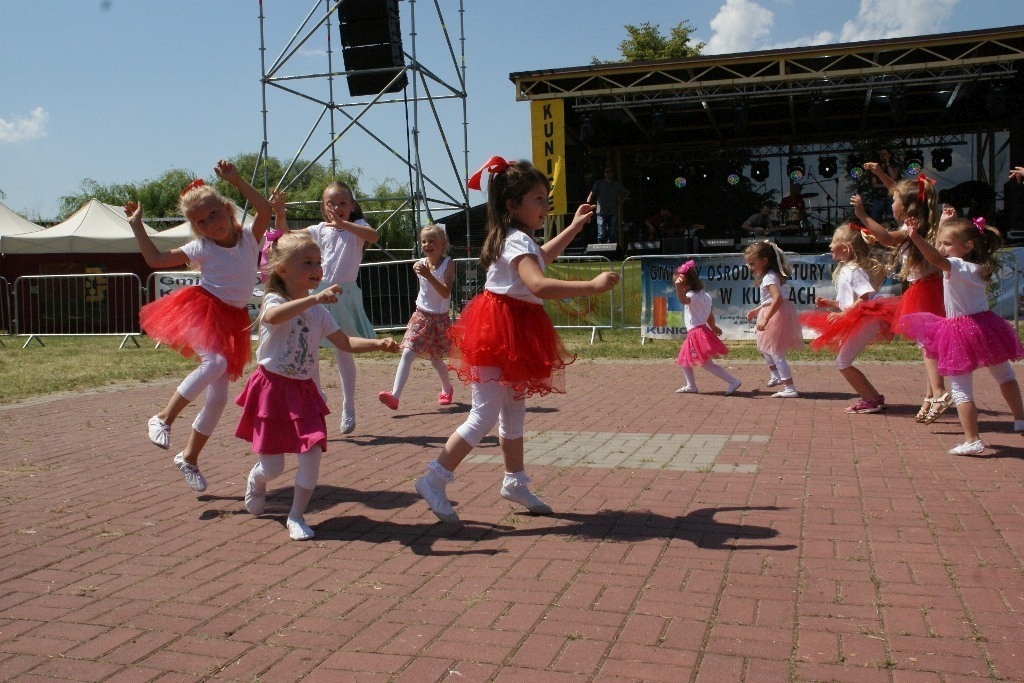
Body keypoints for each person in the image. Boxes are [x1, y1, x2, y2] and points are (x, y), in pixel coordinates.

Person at [414, 156, 621, 523]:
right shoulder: (515, 239)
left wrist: (573, 227)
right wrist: (591, 285)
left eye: (545, 198)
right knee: (485, 413)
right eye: (538, 199)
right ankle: (434, 478)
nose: (545, 206)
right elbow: (538, 283)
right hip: (500, 328)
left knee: (513, 409)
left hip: (513, 325)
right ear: (513, 205)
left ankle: (514, 481)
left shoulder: (515, 238)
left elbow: (541, 258)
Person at [235, 232, 399, 540]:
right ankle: (257, 481)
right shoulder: (276, 300)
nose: (316, 268)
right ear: (282, 270)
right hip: (272, 390)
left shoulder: (319, 311)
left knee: (312, 452)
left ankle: (296, 516)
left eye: (318, 262)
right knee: (273, 467)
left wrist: (378, 343)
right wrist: (314, 298)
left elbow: (346, 342)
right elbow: (271, 317)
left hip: (304, 392)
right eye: (307, 262)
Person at [127, 161, 272, 492]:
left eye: (212, 215)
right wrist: (138, 226)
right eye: (199, 222)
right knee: (216, 363)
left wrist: (236, 179)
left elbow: (263, 208)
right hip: (203, 311)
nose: (209, 225)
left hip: (233, 319)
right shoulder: (201, 248)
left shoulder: (251, 237)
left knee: (219, 397)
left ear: (226, 209)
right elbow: (155, 260)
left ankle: (189, 458)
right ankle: (162, 417)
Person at [900, 212, 1024, 455]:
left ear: (967, 246)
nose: (941, 247)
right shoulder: (978, 267)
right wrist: (946, 222)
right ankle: (1020, 417)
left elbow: (935, 258)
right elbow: (941, 252)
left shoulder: (955, 265)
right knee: (1004, 374)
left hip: (960, 330)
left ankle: (972, 440)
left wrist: (915, 237)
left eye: (947, 243)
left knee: (960, 389)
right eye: (940, 242)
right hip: (986, 325)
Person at [276, 182, 379, 435]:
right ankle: (318, 397)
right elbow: (286, 237)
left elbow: (373, 236)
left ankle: (349, 406)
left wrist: (344, 225)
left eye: (342, 203)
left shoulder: (358, 228)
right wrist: (280, 214)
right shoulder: (318, 230)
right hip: (317, 293)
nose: (336, 208)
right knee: (308, 347)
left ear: (352, 206)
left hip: (344, 294)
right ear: (323, 207)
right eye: (331, 203)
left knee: (343, 349)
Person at [852, 174, 951, 423]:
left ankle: (938, 392)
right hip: (931, 287)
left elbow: (885, 238)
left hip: (923, 290)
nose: (891, 204)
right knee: (927, 345)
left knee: (928, 345)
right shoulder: (923, 222)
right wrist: (880, 174)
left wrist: (863, 216)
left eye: (894, 200)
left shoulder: (910, 228)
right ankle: (930, 396)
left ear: (906, 206)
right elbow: (901, 191)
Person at [799, 223, 898, 414]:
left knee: (842, 362)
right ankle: (873, 397)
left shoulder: (854, 270)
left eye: (833, 242)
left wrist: (844, 313)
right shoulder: (846, 269)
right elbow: (849, 300)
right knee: (843, 362)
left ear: (845, 248)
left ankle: (871, 399)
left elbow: (865, 297)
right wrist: (830, 303)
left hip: (864, 320)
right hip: (858, 319)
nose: (829, 246)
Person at [378, 224, 455, 411]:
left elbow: (445, 293)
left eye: (432, 241)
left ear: (442, 243)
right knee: (407, 352)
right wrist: (423, 273)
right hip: (421, 316)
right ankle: (394, 395)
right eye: (424, 241)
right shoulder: (421, 263)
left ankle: (447, 388)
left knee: (436, 359)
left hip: (439, 319)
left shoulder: (448, 264)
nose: (427, 245)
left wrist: (428, 275)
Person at [744, 241, 803, 397]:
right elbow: (770, 300)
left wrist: (765, 319)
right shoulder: (770, 276)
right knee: (764, 347)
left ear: (764, 261)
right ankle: (776, 375)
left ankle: (790, 387)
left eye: (752, 263)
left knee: (775, 351)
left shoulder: (769, 278)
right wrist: (757, 311)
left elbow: (777, 299)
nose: (750, 267)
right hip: (773, 311)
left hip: (776, 314)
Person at [673, 260, 741, 395]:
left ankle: (733, 381)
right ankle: (691, 385)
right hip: (702, 331)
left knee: (706, 364)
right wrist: (714, 327)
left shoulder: (691, 295)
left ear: (685, 285)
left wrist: (678, 287)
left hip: (696, 333)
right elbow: (710, 316)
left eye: (681, 284)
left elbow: (683, 300)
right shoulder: (706, 296)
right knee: (685, 360)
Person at [586, 167, 629, 244]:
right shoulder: (599, 183)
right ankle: (600, 252)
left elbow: (626, 192)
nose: (608, 173)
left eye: (610, 172)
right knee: (601, 234)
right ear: (604, 173)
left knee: (612, 234)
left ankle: (610, 253)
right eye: (606, 172)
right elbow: (592, 193)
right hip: (601, 212)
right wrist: (588, 204)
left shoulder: (616, 184)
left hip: (612, 211)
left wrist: (621, 201)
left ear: (613, 173)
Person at [868, 147, 901, 222]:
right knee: (874, 217)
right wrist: (886, 184)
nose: (882, 155)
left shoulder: (894, 165)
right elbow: (874, 184)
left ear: (889, 155)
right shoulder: (877, 167)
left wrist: (888, 164)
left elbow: (894, 176)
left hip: (892, 196)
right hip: (879, 196)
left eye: (884, 154)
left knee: (897, 216)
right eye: (881, 154)